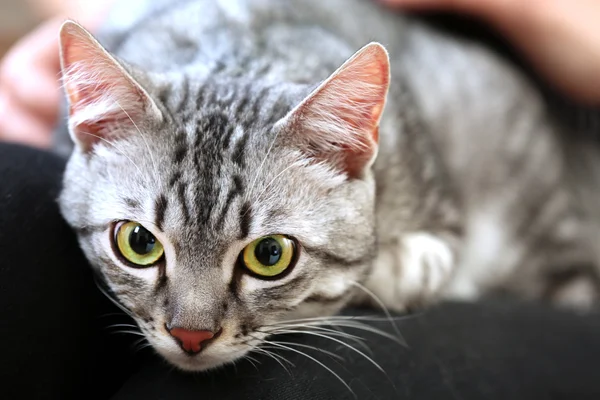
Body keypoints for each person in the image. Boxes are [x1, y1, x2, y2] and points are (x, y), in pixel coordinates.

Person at [1, 1, 600, 399]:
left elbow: (435, 239)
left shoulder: (341, 155)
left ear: (345, 162)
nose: (191, 327)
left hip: (528, 186)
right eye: (139, 242)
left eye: (266, 255)